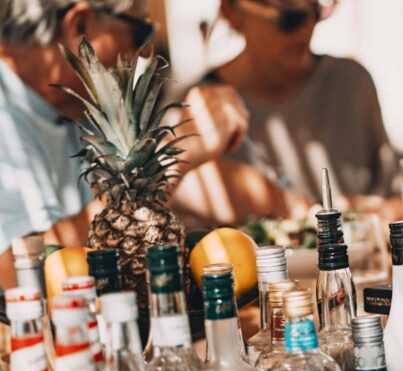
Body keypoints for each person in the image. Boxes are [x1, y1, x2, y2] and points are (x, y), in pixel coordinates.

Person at [0, 0, 248, 288]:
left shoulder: (74, 101)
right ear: (79, 25)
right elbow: (13, 273)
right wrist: (170, 159)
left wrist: (297, 206)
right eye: (141, 32)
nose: (146, 52)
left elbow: (200, 184)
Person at [172, 0, 401, 226]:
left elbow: (398, 199)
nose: (307, 28)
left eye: (317, 11)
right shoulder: (193, 113)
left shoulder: (352, 83)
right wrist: (303, 210)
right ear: (231, 11)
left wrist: (381, 214)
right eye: (290, 17)